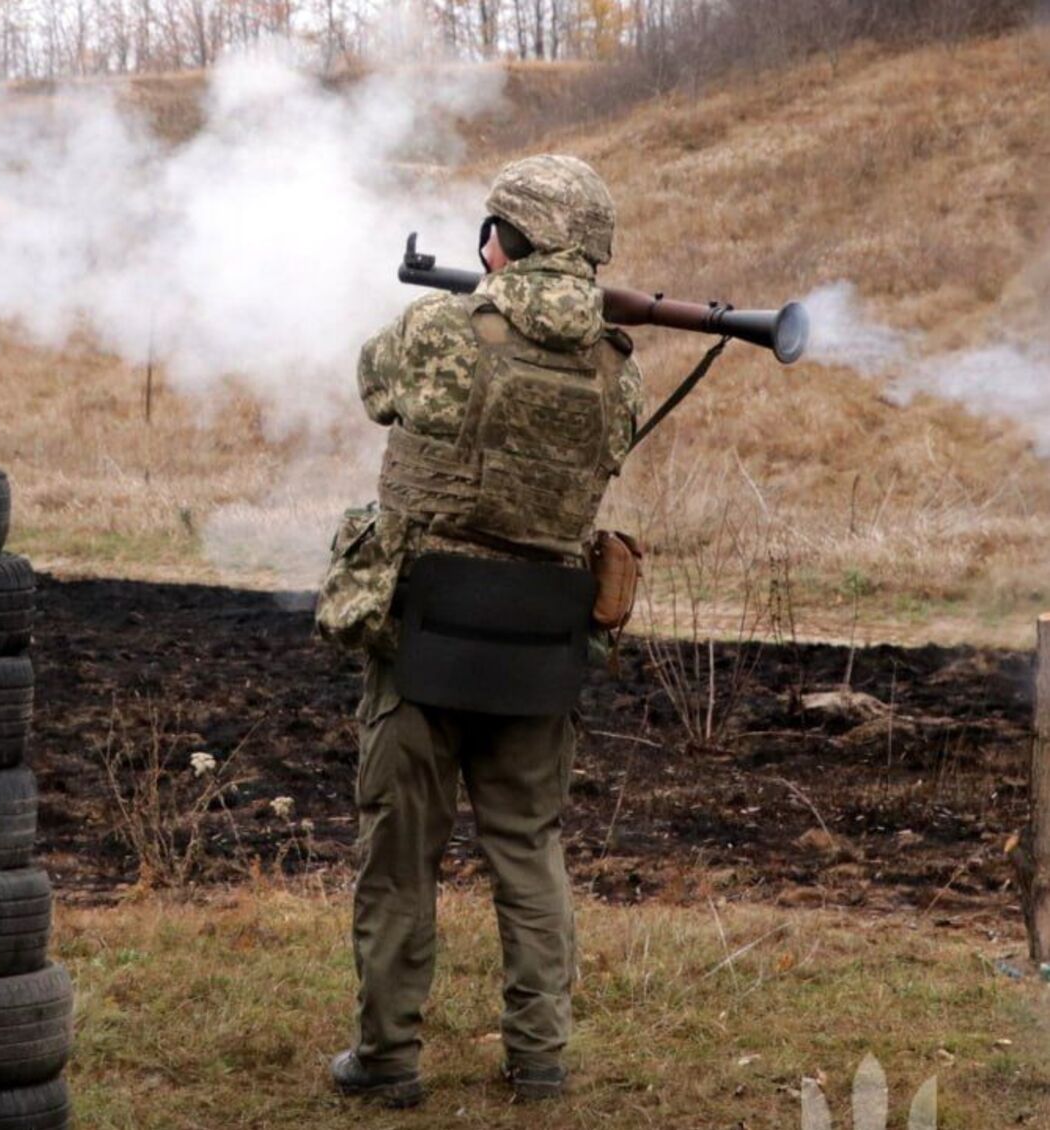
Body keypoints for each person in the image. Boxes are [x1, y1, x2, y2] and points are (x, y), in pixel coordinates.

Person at [323, 154, 644, 1108]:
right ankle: (539, 1058)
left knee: (398, 861)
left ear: (502, 241)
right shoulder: (617, 369)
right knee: (529, 852)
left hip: (428, 630)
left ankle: (388, 1062)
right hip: (543, 640)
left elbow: (373, 384)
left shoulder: (436, 329)